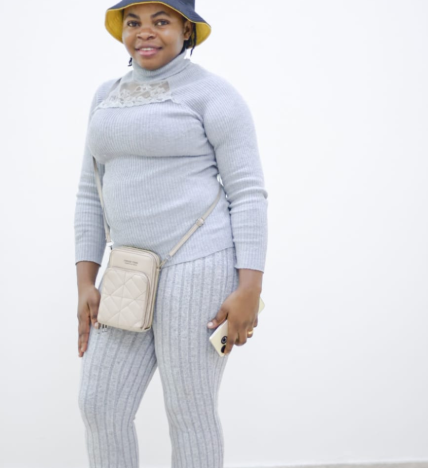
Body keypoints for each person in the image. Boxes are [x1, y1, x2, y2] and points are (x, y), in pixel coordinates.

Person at [74, 1, 268, 466]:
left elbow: (248, 193)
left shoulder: (213, 95)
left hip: (198, 265)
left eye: (161, 21)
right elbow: (89, 192)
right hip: (128, 270)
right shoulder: (105, 96)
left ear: (187, 30)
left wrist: (250, 287)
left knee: (189, 412)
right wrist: (85, 281)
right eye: (134, 22)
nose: (145, 32)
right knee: (100, 404)